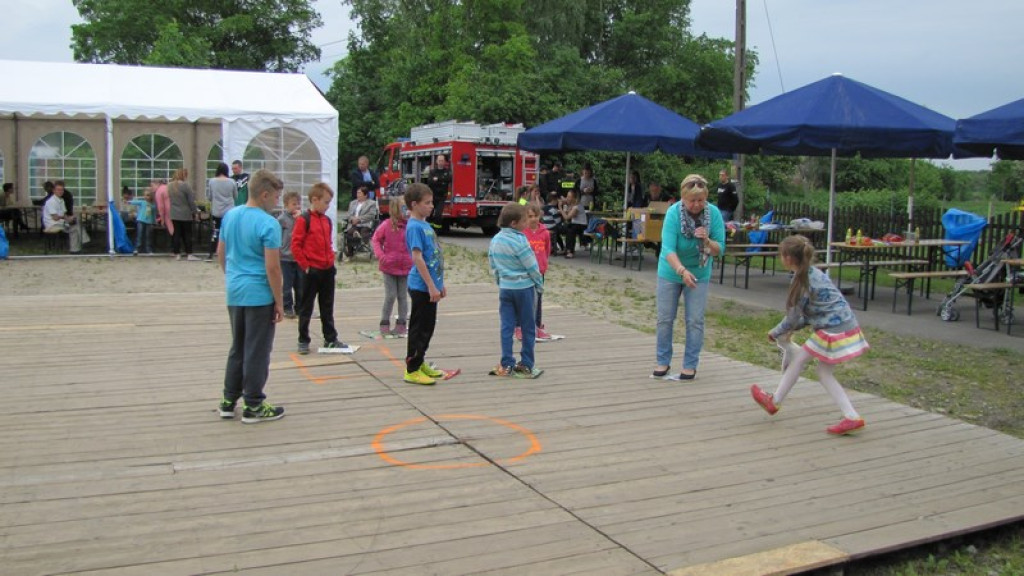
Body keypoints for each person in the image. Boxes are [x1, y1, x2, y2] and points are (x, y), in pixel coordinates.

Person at [750, 235, 869, 436]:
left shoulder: (801, 283)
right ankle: (851, 416)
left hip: (831, 330)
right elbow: (810, 314)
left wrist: (776, 332)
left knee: (798, 361)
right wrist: (789, 329)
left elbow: (793, 318)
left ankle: (775, 401)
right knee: (823, 372)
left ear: (788, 258)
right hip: (846, 325)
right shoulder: (816, 274)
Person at [215, 168, 286, 424]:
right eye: (276, 197)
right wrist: (279, 300)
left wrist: (233, 276)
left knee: (238, 347)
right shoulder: (268, 223)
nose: (277, 202)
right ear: (265, 195)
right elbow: (273, 267)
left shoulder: (230, 216)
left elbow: (220, 254)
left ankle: (228, 399)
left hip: (235, 291)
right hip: (258, 295)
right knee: (257, 350)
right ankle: (254, 403)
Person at [654, 174, 725, 380]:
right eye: (692, 200)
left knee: (695, 320)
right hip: (671, 271)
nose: (696, 205)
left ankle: (690, 364)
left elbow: (720, 249)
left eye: (701, 200)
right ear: (683, 199)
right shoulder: (673, 214)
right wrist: (682, 271)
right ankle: (662, 360)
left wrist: (708, 241)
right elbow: (667, 248)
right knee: (665, 318)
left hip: (700, 272)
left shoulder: (714, 214)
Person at [488, 203, 544, 376]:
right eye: (524, 220)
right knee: (528, 326)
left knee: (507, 326)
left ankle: (506, 362)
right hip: (524, 288)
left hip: (505, 287)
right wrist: (539, 284)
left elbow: (493, 265)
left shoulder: (495, 240)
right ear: (514, 223)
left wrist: (500, 281)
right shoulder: (520, 240)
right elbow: (532, 265)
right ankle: (527, 362)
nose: (527, 223)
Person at [292, 182, 346, 355]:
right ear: (315, 200)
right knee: (306, 307)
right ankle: (303, 339)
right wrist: (305, 266)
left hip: (327, 269)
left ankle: (330, 338)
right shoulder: (304, 220)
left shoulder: (327, 220)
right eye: (326, 202)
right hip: (311, 271)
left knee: (327, 306)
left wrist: (330, 261)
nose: (328, 205)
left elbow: (328, 243)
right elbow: (296, 245)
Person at [403, 182, 448, 385]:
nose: (432, 206)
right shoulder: (414, 227)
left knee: (428, 327)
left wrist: (440, 283)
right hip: (421, 287)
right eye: (427, 203)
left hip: (432, 286)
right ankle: (412, 369)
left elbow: (434, 256)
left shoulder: (425, 224)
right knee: (419, 328)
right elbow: (417, 257)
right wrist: (430, 285)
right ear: (414, 204)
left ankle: (420, 361)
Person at [371, 196, 412, 337]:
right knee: (390, 295)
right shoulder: (386, 225)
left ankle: (401, 324)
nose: (407, 211)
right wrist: (381, 256)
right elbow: (375, 239)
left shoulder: (410, 226)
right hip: (389, 267)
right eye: (404, 208)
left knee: (402, 296)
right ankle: (384, 323)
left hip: (405, 267)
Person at [521, 203, 553, 341]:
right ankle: (522, 326)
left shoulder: (545, 233)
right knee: (525, 299)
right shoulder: (523, 233)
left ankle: (538, 325)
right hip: (525, 272)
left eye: (536, 216)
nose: (533, 219)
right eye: (530, 216)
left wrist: (544, 264)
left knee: (538, 298)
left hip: (539, 271)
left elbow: (547, 250)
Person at [278, 191, 302, 318]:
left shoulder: (301, 218)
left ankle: (300, 307)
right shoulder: (282, 219)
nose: (296, 207)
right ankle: (287, 307)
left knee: (300, 284)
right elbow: (278, 237)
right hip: (285, 257)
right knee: (287, 284)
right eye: (293, 204)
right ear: (286, 205)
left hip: (298, 257)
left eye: (298, 204)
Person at [206, 162, 236, 260]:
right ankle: (230, 253)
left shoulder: (212, 181)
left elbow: (209, 197)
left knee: (215, 232)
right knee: (229, 232)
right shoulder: (232, 182)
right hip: (229, 212)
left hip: (216, 211)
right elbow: (235, 196)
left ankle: (211, 253)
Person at [168, 168, 199, 261]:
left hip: (174, 213)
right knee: (187, 234)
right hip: (185, 213)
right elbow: (191, 201)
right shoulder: (186, 186)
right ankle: (189, 253)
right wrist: (195, 212)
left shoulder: (169, 186)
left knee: (176, 234)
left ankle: (177, 253)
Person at [344, 185, 379, 260]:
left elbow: (371, 215)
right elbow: (348, 214)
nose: (358, 195)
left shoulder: (371, 203)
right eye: (357, 193)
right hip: (353, 224)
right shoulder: (353, 203)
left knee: (364, 231)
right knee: (349, 233)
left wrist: (359, 219)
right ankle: (350, 254)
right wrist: (352, 219)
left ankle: (359, 236)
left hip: (365, 224)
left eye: (359, 193)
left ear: (365, 195)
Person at [559, 189, 587, 259]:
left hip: (581, 225)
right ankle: (565, 248)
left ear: (574, 198)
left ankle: (570, 251)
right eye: (567, 196)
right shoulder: (572, 205)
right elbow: (568, 213)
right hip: (575, 224)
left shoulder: (577, 206)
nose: (567, 198)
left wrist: (560, 208)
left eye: (569, 197)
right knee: (559, 228)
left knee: (570, 230)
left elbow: (566, 217)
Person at [127, 188, 155, 254]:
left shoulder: (153, 205)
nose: (146, 197)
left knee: (148, 235)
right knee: (139, 234)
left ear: (151, 196)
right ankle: (137, 248)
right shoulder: (142, 202)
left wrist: (154, 222)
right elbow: (136, 202)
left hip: (149, 221)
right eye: (145, 195)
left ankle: (148, 249)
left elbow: (153, 214)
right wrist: (129, 202)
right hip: (140, 220)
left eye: (148, 195)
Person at [425, 154, 451, 226]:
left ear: (445, 162)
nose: (441, 162)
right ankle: (428, 227)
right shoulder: (433, 171)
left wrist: (438, 179)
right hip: (432, 196)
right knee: (429, 214)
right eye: (439, 160)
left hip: (442, 197)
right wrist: (441, 181)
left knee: (438, 215)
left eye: (442, 161)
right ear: (436, 161)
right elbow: (430, 181)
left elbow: (448, 179)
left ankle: (437, 230)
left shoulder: (447, 171)